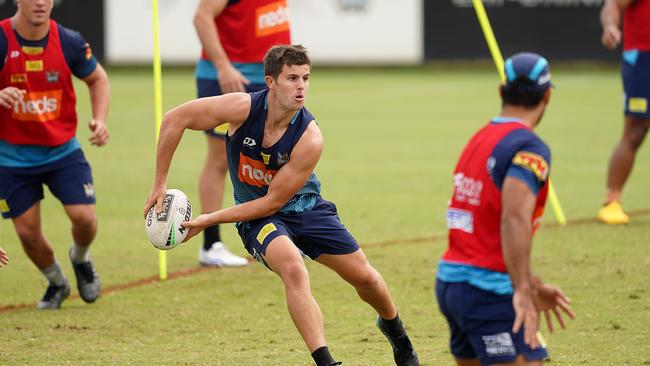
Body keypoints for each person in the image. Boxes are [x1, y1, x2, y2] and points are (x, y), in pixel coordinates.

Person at [145, 45, 419, 366]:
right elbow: (174, 119)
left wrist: (209, 219)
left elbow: (274, 200)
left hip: (305, 209)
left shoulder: (310, 138)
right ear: (271, 81)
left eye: (305, 78)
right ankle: (327, 362)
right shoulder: (243, 108)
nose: (301, 86)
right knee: (292, 266)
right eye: (291, 78)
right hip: (258, 218)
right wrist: (160, 182)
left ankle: (396, 332)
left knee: (367, 279)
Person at [435, 53, 575, 366]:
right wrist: (523, 290)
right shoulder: (529, 147)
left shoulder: (480, 138)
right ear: (547, 95)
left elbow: (486, 221)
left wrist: (532, 282)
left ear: (502, 91)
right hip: (488, 291)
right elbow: (513, 218)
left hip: (451, 284)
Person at [0, 0, 109, 309]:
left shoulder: (69, 41)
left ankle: (81, 258)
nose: (40, 2)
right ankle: (57, 282)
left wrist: (100, 119)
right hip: (10, 159)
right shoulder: (1, 38)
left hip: (62, 151)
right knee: (27, 232)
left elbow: (98, 78)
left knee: (84, 218)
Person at [192, 0, 290, 266]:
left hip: (268, 75)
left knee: (278, 155)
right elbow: (201, 17)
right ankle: (211, 244)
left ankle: (278, 238)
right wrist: (223, 66)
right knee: (220, 158)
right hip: (231, 77)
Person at [598, 0, 650, 224]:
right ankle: (612, 201)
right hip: (643, 58)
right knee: (636, 129)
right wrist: (610, 26)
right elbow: (613, 5)